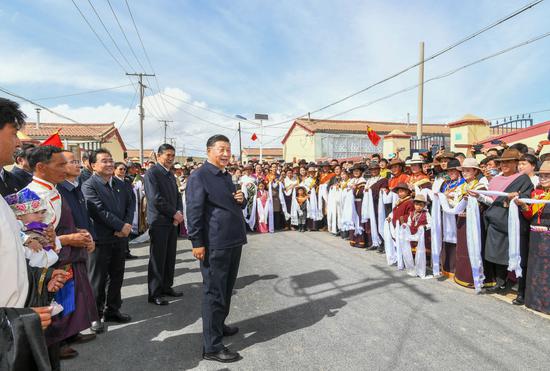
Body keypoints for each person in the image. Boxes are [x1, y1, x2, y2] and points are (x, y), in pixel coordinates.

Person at [186, 134, 247, 363]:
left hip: (232, 240)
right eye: (221, 149)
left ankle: (218, 326)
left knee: (226, 289)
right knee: (214, 293)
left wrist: (241, 199)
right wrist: (197, 242)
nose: (225, 154)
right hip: (214, 244)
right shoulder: (199, 176)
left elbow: (228, 203)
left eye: (228, 150)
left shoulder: (225, 175)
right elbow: (193, 211)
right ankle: (211, 347)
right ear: (209, 151)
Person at [82, 148, 135, 329]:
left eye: (111, 160)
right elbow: (97, 210)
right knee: (97, 279)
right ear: (93, 165)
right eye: (104, 161)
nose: (109, 164)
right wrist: (120, 226)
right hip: (100, 239)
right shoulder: (89, 185)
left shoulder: (121, 184)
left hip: (120, 239)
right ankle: (94, 315)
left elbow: (130, 204)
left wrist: (126, 225)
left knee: (117, 276)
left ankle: (113, 310)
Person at [479, 148, 533, 294]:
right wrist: (477, 196)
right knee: (493, 254)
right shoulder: (495, 179)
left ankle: (512, 285)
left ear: (516, 163)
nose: (504, 165)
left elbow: (526, 197)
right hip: (494, 221)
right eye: (502, 162)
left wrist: (517, 196)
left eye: (508, 162)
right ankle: (498, 282)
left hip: (509, 224)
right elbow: (492, 200)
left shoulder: (523, 179)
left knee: (508, 254)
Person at [144, 144, 184, 306]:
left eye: (172, 156)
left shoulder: (170, 174)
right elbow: (155, 198)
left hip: (172, 221)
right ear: (159, 156)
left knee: (170, 256)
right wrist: (173, 213)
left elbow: (177, 196)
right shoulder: (152, 173)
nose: (170, 158)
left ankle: (167, 286)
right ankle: (154, 293)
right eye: (168, 155)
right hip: (159, 221)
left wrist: (179, 213)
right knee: (158, 258)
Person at [517, 160, 550, 311]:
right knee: (535, 268)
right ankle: (534, 301)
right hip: (535, 236)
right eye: (541, 175)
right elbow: (530, 214)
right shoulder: (536, 193)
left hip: (548, 237)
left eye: (547, 176)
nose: (543, 178)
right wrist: (523, 206)